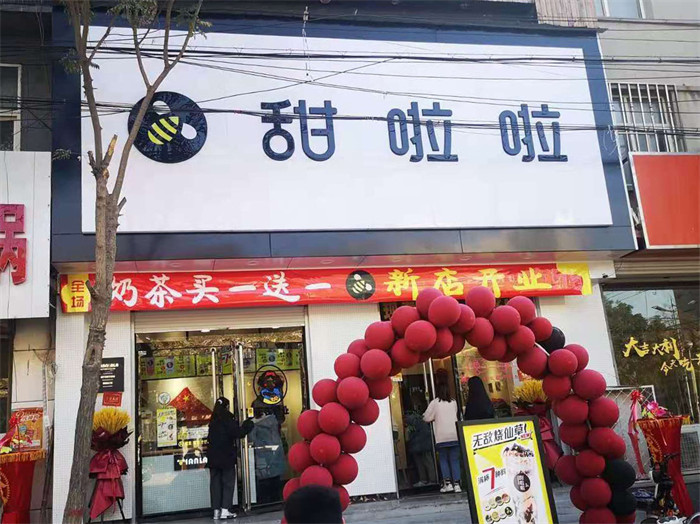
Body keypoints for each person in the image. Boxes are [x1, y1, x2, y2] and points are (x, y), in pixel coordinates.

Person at [206, 397, 253, 520]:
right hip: (226, 456)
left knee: (215, 484)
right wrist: (248, 424)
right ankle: (225, 509)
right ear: (227, 407)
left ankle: (216, 511)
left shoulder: (213, 420)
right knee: (228, 482)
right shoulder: (227, 419)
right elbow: (238, 433)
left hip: (213, 457)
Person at [423, 381, 462, 493]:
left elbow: (426, 417)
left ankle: (448, 484)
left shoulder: (435, 403)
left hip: (441, 436)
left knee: (443, 459)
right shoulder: (453, 402)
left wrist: (433, 417)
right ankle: (457, 485)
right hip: (454, 435)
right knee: (454, 460)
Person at [248, 407, 286, 503]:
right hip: (276, 456)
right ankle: (276, 501)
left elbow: (251, 440)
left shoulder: (253, 425)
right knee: (275, 484)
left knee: (263, 486)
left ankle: (264, 503)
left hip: (261, 457)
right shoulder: (274, 422)